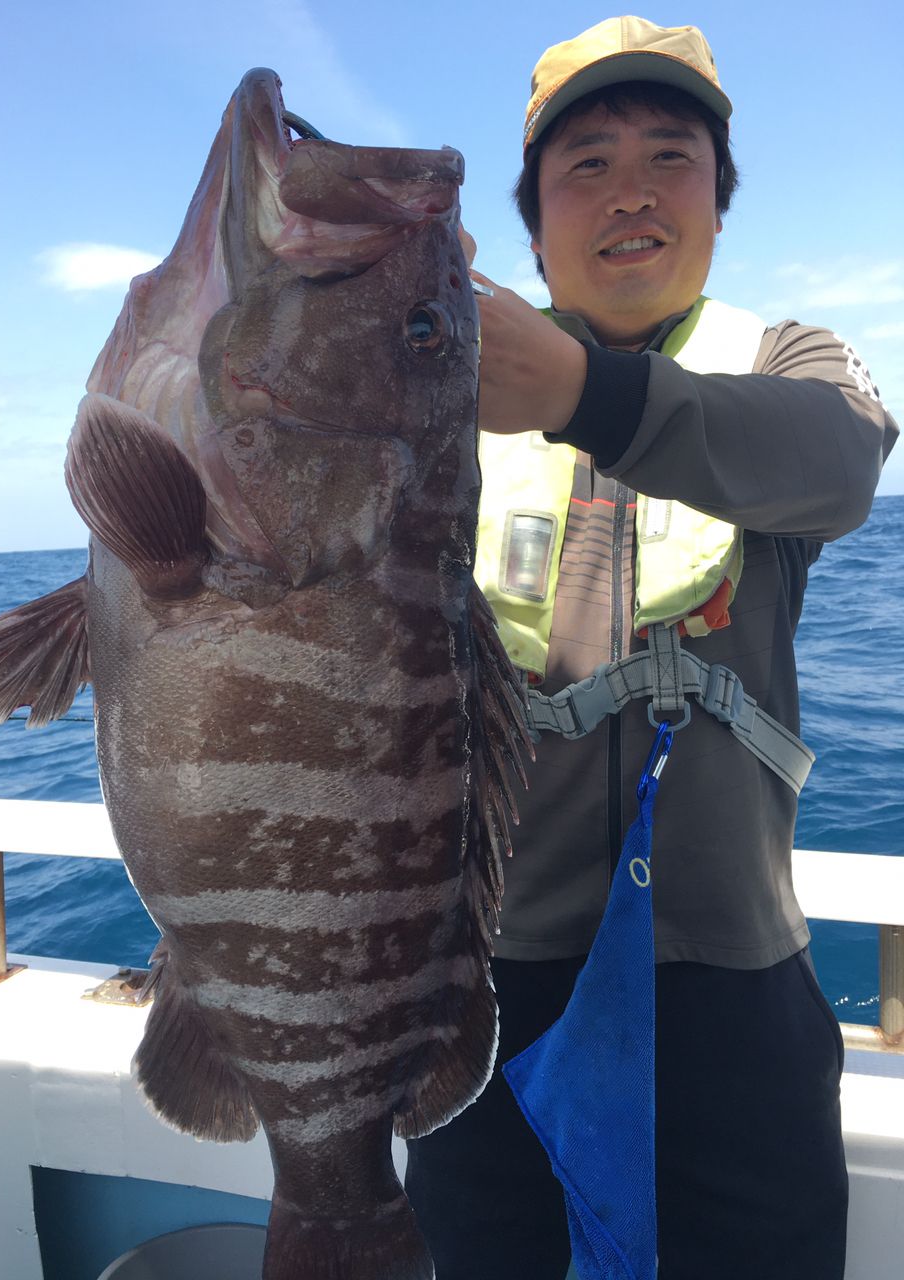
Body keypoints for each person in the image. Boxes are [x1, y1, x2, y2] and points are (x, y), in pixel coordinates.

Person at [405, 16, 898, 1280]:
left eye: (671, 156)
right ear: (532, 229)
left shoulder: (794, 362)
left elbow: (840, 461)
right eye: (586, 164)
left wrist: (580, 392)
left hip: (734, 982)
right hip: (484, 979)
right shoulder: (429, 396)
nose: (631, 190)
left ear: (720, 207)